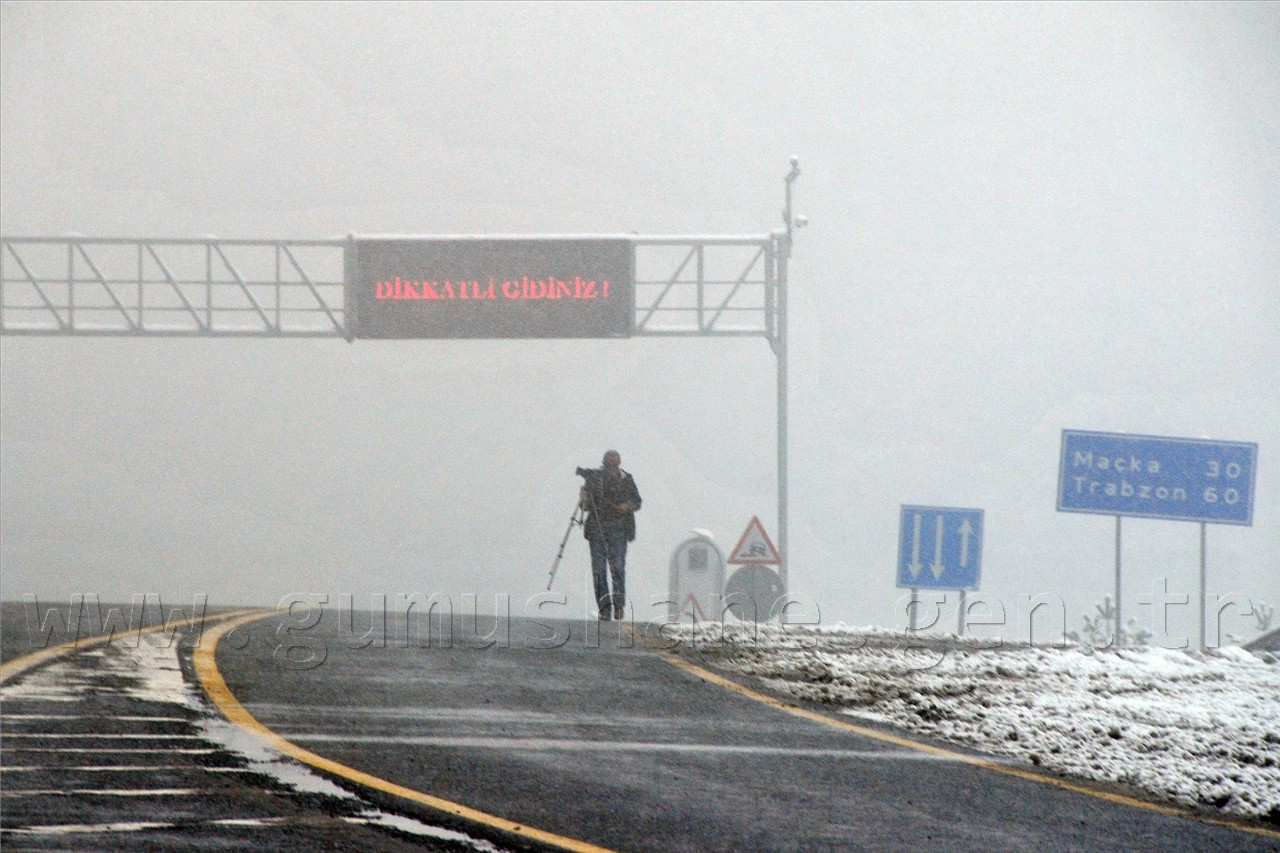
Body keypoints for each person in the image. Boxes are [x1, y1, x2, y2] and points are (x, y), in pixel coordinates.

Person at [577, 450, 641, 621]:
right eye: (609, 460)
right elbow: (584, 506)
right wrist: (585, 495)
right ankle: (605, 609)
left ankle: (618, 605)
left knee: (617, 567)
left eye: (615, 460)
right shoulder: (594, 478)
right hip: (597, 527)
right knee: (599, 570)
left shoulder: (626, 479)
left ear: (619, 462)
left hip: (619, 529)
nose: (612, 463)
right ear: (604, 462)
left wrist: (626, 507)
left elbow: (637, 501)